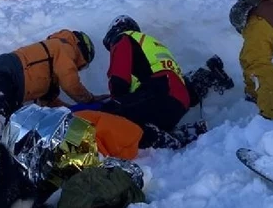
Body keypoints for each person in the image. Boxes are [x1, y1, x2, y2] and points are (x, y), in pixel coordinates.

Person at [96, 15, 234, 149]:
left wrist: (116, 104)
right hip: (178, 102)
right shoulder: (152, 45)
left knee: (109, 115)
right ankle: (206, 78)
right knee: (141, 117)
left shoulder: (124, 38)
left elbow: (119, 78)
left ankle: (162, 139)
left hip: (157, 94)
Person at [0, 29, 105, 133]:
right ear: (84, 53)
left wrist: (73, 113)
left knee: (4, 129)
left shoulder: (50, 74)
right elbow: (71, 84)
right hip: (0, 76)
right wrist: (90, 101)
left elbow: (50, 104)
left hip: (3, 86)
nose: (78, 69)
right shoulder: (64, 47)